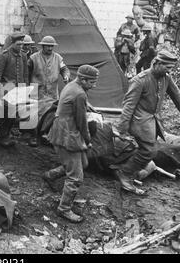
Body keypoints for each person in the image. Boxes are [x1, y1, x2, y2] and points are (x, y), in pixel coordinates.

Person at [114, 50, 180, 184]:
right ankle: (124, 173)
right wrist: (121, 128)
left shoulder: (165, 78)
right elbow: (128, 106)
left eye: (171, 68)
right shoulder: (140, 80)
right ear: (156, 63)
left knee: (150, 150)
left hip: (153, 121)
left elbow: (177, 97)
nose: (169, 71)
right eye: (167, 67)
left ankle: (132, 172)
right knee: (149, 151)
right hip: (138, 121)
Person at [46, 65, 99, 223]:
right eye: (92, 82)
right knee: (76, 177)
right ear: (83, 79)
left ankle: (50, 175)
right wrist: (88, 140)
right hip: (68, 135)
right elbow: (82, 122)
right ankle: (64, 209)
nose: (94, 85)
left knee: (82, 162)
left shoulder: (71, 85)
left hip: (63, 129)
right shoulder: (79, 94)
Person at [27, 35, 70, 147]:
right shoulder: (33, 58)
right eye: (47, 46)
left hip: (51, 92)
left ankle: (47, 135)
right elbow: (26, 73)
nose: (50, 48)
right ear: (42, 46)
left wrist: (66, 76)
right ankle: (33, 136)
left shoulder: (58, 58)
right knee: (34, 114)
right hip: (37, 91)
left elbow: (64, 69)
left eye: (52, 46)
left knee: (51, 114)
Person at [0, 31, 29, 147]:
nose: (20, 47)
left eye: (22, 44)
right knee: (6, 115)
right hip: (6, 90)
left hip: (18, 90)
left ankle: (7, 135)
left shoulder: (23, 56)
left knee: (13, 115)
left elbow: (25, 75)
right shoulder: (4, 55)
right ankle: (2, 137)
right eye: (18, 44)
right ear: (12, 43)